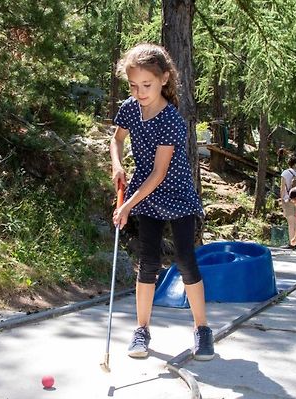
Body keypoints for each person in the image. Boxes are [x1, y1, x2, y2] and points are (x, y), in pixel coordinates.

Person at [109, 43, 214, 361]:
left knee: (185, 259)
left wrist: (126, 206)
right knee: (148, 261)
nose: (139, 92)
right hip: (146, 194)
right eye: (133, 85)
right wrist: (117, 164)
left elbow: (158, 173)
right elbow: (116, 139)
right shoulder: (129, 108)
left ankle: (202, 329)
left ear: (164, 79)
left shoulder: (171, 120)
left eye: (147, 85)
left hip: (176, 192)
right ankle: (141, 330)